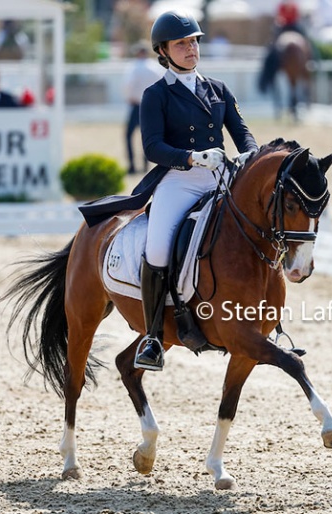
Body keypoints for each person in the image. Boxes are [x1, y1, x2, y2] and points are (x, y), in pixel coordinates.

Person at [133, 10, 259, 371]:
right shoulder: (156, 95)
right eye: (181, 44)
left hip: (220, 176)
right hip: (179, 179)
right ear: (163, 51)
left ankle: (270, 323)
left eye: (193, 42)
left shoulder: (218, 89)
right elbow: (152, 148)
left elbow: (242, 132)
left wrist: (250, 155)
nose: (191, 49)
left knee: (260, 230)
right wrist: (192, 157)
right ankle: (153, 337)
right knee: (157, 248)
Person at [123, 40, 163, 174]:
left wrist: (129, 97)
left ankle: (132, 165)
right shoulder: (155, 68)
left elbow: (129, 85)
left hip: (136, 105)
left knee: (129, 135)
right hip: (151, 106)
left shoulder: (134, 67)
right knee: (147, 135)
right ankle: (146, 163)